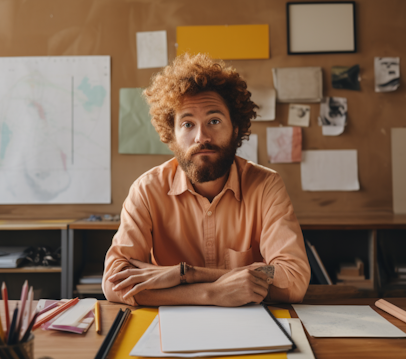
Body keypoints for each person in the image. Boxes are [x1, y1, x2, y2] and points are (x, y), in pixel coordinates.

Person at [102, 53, 310, 307]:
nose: (202, 136)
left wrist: (187, 274)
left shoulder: (266, 186)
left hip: (249, 325)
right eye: (188, 124)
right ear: (172, 134)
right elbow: (114, 282)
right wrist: (210, 293)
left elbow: (294, 280)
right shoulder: (147, 190)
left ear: (235, 128)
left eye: (214, 121)